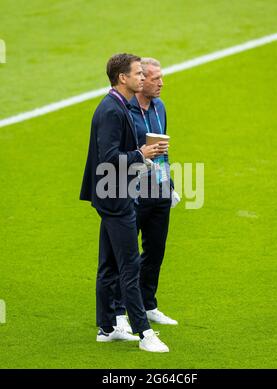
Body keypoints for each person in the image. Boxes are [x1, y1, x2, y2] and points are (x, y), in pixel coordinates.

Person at [80, 53, 169, 352]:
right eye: (138, 74)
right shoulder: (112, 111)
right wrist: (141, 155)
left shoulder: (117, 105)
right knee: (129, 265)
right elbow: (108, 159)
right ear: (122, 78)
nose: (143, 78)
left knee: (108, 263)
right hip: (115, 196)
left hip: (113, 193)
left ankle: (107, 328)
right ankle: (144, 333)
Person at [114, 58, 178, 331]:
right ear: (140, 81)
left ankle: (148, 304)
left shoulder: (160, 107)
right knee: (126, 256)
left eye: (161, 77)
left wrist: (169, 185)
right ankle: (117, 313)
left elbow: (162, 149)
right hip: (132, 192)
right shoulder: (124, 111)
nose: (161, 83)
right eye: (154, 78)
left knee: (155, 251)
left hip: (158, 191)